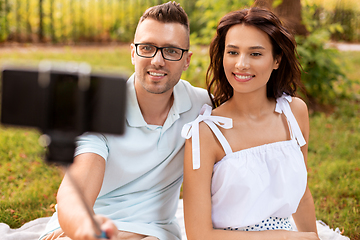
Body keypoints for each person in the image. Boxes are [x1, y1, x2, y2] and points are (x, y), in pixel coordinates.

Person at [39, 2, 211, 240]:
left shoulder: (203, 107)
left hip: (154, 233)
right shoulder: (100, 108)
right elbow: (75, 189)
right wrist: (83, 228)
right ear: (133, 53)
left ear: (187, 60)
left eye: (171, 51)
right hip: (81, 229)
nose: (157, 61)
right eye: (147, 48)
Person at [181, 7, 320, 240]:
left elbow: (302, 193)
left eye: (255, 54)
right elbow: (199, 234)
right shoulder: (205, 134)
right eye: (233, 52)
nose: (241, 64)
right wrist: (285, 238)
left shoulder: (294, 112)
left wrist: (311, 236)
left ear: (276, 60)